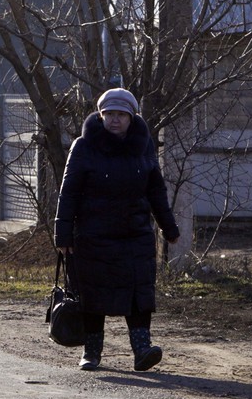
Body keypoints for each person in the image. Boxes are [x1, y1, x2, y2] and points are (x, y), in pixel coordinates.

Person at [53, 88, 180, 372]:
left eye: (120, 114)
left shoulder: (144, 145)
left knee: (139, 294)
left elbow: (156, 189)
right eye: (109, 114)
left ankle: (142, 350)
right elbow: (68, 193)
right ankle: (92, 352)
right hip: (92, 236)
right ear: (101, 115)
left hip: (135, 235)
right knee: (93, 295)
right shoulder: (84, 147)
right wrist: (62, 236)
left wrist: (168, 226)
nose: (114, 120)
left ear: (131, 117)